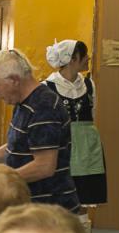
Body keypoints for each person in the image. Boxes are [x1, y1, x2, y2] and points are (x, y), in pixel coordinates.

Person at [0, 48, 81, 213]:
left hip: (49, 209)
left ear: (14, 80)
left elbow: (44, 166)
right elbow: (18, 145)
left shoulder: (43, 106)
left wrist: (0, 181)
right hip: (31, 204)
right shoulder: (23, 102)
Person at [45, 39, 107, 208]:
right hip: (63, 147)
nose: (88, 58)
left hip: (87, 149)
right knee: (61, 199)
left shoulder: (88, 84)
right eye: (84, 55)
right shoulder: (48, 87)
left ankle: (81, 225)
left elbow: (93, 114)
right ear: (72, 59)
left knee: (84, 199)